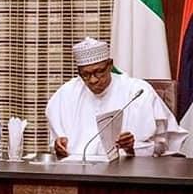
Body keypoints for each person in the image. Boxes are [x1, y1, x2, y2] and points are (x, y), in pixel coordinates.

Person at [46, 37, 188, 158]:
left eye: (99, 72)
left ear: (110, 65)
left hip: (127, 176)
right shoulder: (66, 94)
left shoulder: (138, 91)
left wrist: (133, 147)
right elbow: (56, 145)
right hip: (79, 174)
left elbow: (162, 147)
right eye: (86, 75)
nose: (93, 80)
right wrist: (58, 146)